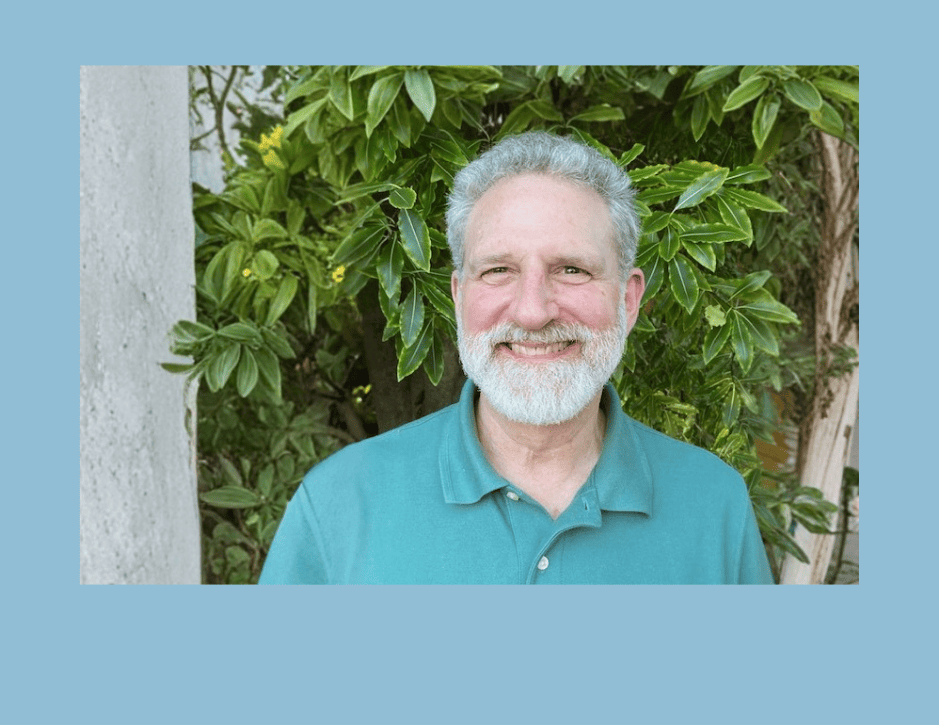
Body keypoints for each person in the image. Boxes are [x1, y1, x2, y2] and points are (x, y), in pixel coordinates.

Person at [258, 131, 774, 584]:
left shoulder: (715, 506)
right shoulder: (339, 503)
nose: (532, 312)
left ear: (628, 299)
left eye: (571, 269)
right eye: (498, 270)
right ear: (459, 297)